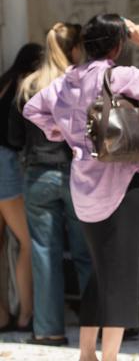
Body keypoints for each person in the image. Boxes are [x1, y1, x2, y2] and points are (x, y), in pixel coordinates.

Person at [23, 14, 139, 361]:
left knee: (100, 272)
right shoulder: (117, 75)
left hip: (84, 188)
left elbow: (32, 108)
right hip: (122, 185)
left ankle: (87, 355)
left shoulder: (67, 80)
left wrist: (65, 134)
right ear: (117, 45)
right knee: (122, 277)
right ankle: (108, 357)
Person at [9, 23, 92, 346]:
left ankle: (48, 330)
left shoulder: (29, 85)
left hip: (38, 174)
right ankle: (96, 328)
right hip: (76, 174)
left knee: (44, 255)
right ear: (73, 49)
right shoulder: (79, 85)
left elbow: (15, 137)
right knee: (86, 255)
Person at [0, 42, 42, 332]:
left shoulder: (3, 82)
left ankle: (2, 315)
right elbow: (16, 138)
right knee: (28, 243)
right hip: (7, 164)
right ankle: (27, 314)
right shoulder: (24, 87)